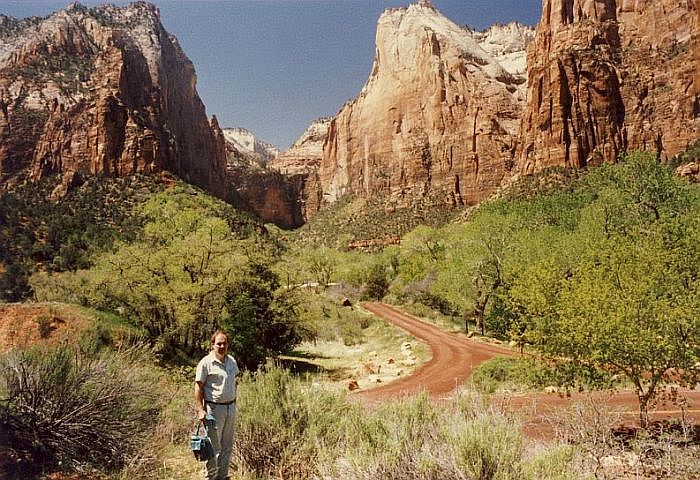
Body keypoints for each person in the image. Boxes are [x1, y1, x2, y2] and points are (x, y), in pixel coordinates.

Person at [195, 330, 240, 480]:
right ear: (212, 344)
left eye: (224, 343)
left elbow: (235, 381)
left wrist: (233, 400)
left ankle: (223, 476)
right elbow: (198, 387)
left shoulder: (231, 361)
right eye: (218, 343)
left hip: (230, 408)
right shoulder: (206, 363)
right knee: (213, 447)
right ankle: (211, 476)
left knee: (227, 445)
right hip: (214, 409)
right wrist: (200, 410)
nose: (222, 346)